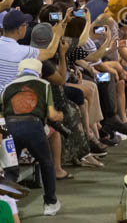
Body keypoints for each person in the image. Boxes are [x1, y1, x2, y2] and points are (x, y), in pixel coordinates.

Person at [1, 58, 62, 216]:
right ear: (39, 72)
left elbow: (1, 115)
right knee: (46, 163)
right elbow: (52, 115)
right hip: (33, 127)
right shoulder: (44, 84)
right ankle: (50, 203)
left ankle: (8, 206)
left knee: (10, 169)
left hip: (10, 128)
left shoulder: (7, 87)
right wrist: (60, 116)